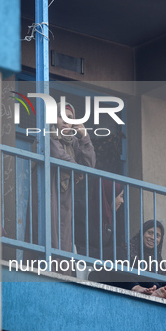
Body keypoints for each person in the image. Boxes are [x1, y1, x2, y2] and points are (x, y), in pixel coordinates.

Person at [50, 103, 95, 272]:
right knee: (49, 233)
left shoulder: (74, 142)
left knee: (64, 237)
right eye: (61, 116)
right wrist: (77, 169)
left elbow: (89, 165)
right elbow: (59, 155)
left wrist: (85, 136)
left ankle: (62, 274)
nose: (65, 121)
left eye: (70, 118)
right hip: (50, 192)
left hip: (65, 198)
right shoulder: (48, 134)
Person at [117, 220, 166, 303]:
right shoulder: (127, 249)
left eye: (157, 235)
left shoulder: (159, 261)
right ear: (142, 233)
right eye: (150, 232)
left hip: (154, 287)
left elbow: (162, 282)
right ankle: (141, 290)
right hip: (135, 283)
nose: (153, 237)